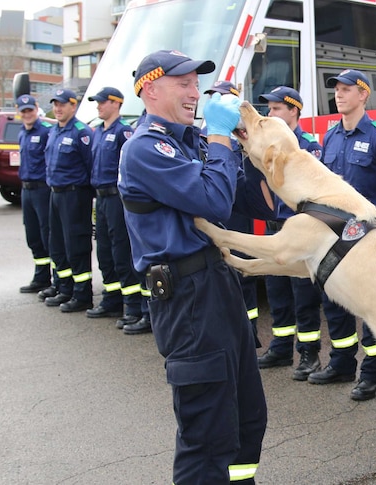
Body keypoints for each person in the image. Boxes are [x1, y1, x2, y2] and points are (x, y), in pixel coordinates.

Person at [118, 49, 268, 483]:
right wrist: (220, 139)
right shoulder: (146, 148)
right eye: (182, 83)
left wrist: (255, 147)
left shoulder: (192, 141)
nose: (194, 91)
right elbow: (213, 202)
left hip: (218, 285)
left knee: (245, 420)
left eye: (195, 83)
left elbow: (250, 200)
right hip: (187, 298)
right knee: (206, 435)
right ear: (150, 90)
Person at [309, 69, 376, 402]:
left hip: (365, 238)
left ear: (364, 94)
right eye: (336, 89)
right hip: (332, 235)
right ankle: (341, 363)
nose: (339, 94)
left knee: (369, 308)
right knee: (335, 303)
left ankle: (371, 374)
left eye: (347, 89)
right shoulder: (331, 137)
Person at [252, 86, 324, 381]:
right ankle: (281, 347)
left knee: (303, 296)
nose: (271, 114)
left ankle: (309, 354)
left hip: (298, 229)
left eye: (277, 109)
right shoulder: (270, 146)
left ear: (294, 111)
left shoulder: (308, 145)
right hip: (275, 227)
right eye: (269, 109)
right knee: (277, 292)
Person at [84, 86, 150, 334]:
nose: (98, 106)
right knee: (105, 252)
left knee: (122, 252)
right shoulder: (98, 132)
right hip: (100, 199)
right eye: (97, 103)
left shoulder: (123, 132)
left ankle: (133, 308)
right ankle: (112, 300)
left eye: (102, 102)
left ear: (116, 104)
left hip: (116, 199)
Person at [202, 80, 262, 345]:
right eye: (212, 96)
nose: (214, 100)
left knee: (242, 276)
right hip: (213, 212)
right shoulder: (205, 132)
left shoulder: (239, 131)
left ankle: (249, 334)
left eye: (220, 96)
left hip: (236, 212)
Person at [42, 89, 95, 313]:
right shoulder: (54, 130)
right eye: (55, 104)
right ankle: (65, 287)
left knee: (76, 244)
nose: (58, 108)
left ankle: (82, 294)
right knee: (58, 244)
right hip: (55, 193)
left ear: (73, 106)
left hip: (75, 195)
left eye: (62, 104)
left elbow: (91, 165)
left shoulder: (81, 132)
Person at [16, 94, 56, 295]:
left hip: (42, 189)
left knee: (47, 233)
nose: (27, 114)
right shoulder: (22, 133)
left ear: (36, 109)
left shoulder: (47, 131)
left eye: (30, 110)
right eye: (23, 111)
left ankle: (57, 280)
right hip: (27, 189)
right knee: (32, 235)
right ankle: (41, 277)